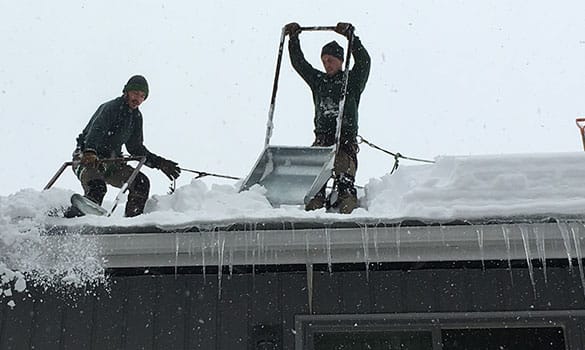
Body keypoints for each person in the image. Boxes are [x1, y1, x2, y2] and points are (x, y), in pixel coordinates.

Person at [63, 75, 181, 218]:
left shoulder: (136, 117)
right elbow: (96, 130)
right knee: (98, 187)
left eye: (142, 96)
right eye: (135, 93)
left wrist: (159, 163)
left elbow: (135, 148)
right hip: (88, 158)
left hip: (112, 161)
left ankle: (131, 222)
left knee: (141, 182)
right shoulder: (111, 108)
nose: (138, 99)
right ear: (127, 92)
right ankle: (75, 218)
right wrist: (90, 151)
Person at [284, 22, 371, 214]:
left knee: (345, 185)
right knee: (315, 188)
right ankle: (311, 220)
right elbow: (300, 64)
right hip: (322, 142)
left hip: (345, 143)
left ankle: (348, 219)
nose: (326, 64)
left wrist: (351, 38)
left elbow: (364, 61)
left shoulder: (352, 81)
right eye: (324, 60)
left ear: (340, 60)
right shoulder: (318, 81)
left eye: (330, 59)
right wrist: (293, 39)